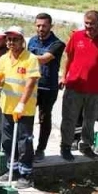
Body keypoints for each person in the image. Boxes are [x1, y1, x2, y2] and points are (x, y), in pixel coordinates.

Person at [59, 10, 98, 160]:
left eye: (92, 24)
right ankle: (65, 146)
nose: (89, 27)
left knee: (90, 119)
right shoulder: (76, 36)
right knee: (69, 118)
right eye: (86, 23)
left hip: (95, 89)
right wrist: (63, 77)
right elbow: (68, 58)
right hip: (74, 86)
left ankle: (86, 146)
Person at [0, 26, 39, 188]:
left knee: (24, 142)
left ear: (22, 41)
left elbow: (30, 83)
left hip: (24, 109)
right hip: (6, 106)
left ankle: (26, 174)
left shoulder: (30, 59)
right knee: (7, 141)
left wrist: (21, 104)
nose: (11, 42)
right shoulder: (3, 59)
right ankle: (12, 170)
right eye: (9, 39)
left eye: (15, 39)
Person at [27, 13, 65, 160]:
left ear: (50, 26)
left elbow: (43, 59)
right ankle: (27, 147)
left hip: (48, 87)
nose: (40, 28)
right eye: (38, 25)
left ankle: (40, 149)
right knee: (27, 118)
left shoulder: (58, 44)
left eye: (44, 26)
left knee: (44, 118)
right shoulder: (32, 41)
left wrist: (23, 55)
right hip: (32, 86)